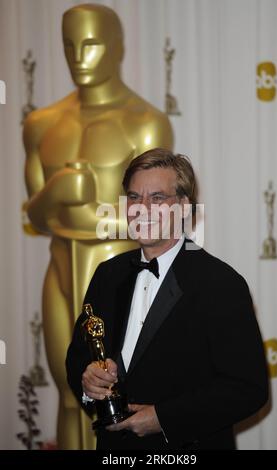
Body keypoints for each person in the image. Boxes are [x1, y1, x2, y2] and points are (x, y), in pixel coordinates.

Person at [23, 4, 173, 449]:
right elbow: (34, 216)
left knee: (121, 398)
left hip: (118, 272)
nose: (78, 56)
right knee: (71, 394)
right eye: (69, 45)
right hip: (60, 270)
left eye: (91, 44)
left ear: (117, 47)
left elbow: (157, 213)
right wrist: (58, 191)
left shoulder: (145, 122)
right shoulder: (41, 124)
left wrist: (85, 209)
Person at [66, 148, 268, 450]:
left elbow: (247, 388)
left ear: (184, 207)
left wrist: (164, 417)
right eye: (134, 198)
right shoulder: (108, 274)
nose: (142, 209)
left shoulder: (221, 284)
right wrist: (87, 381)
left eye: (157, 198)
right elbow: (79, 356)